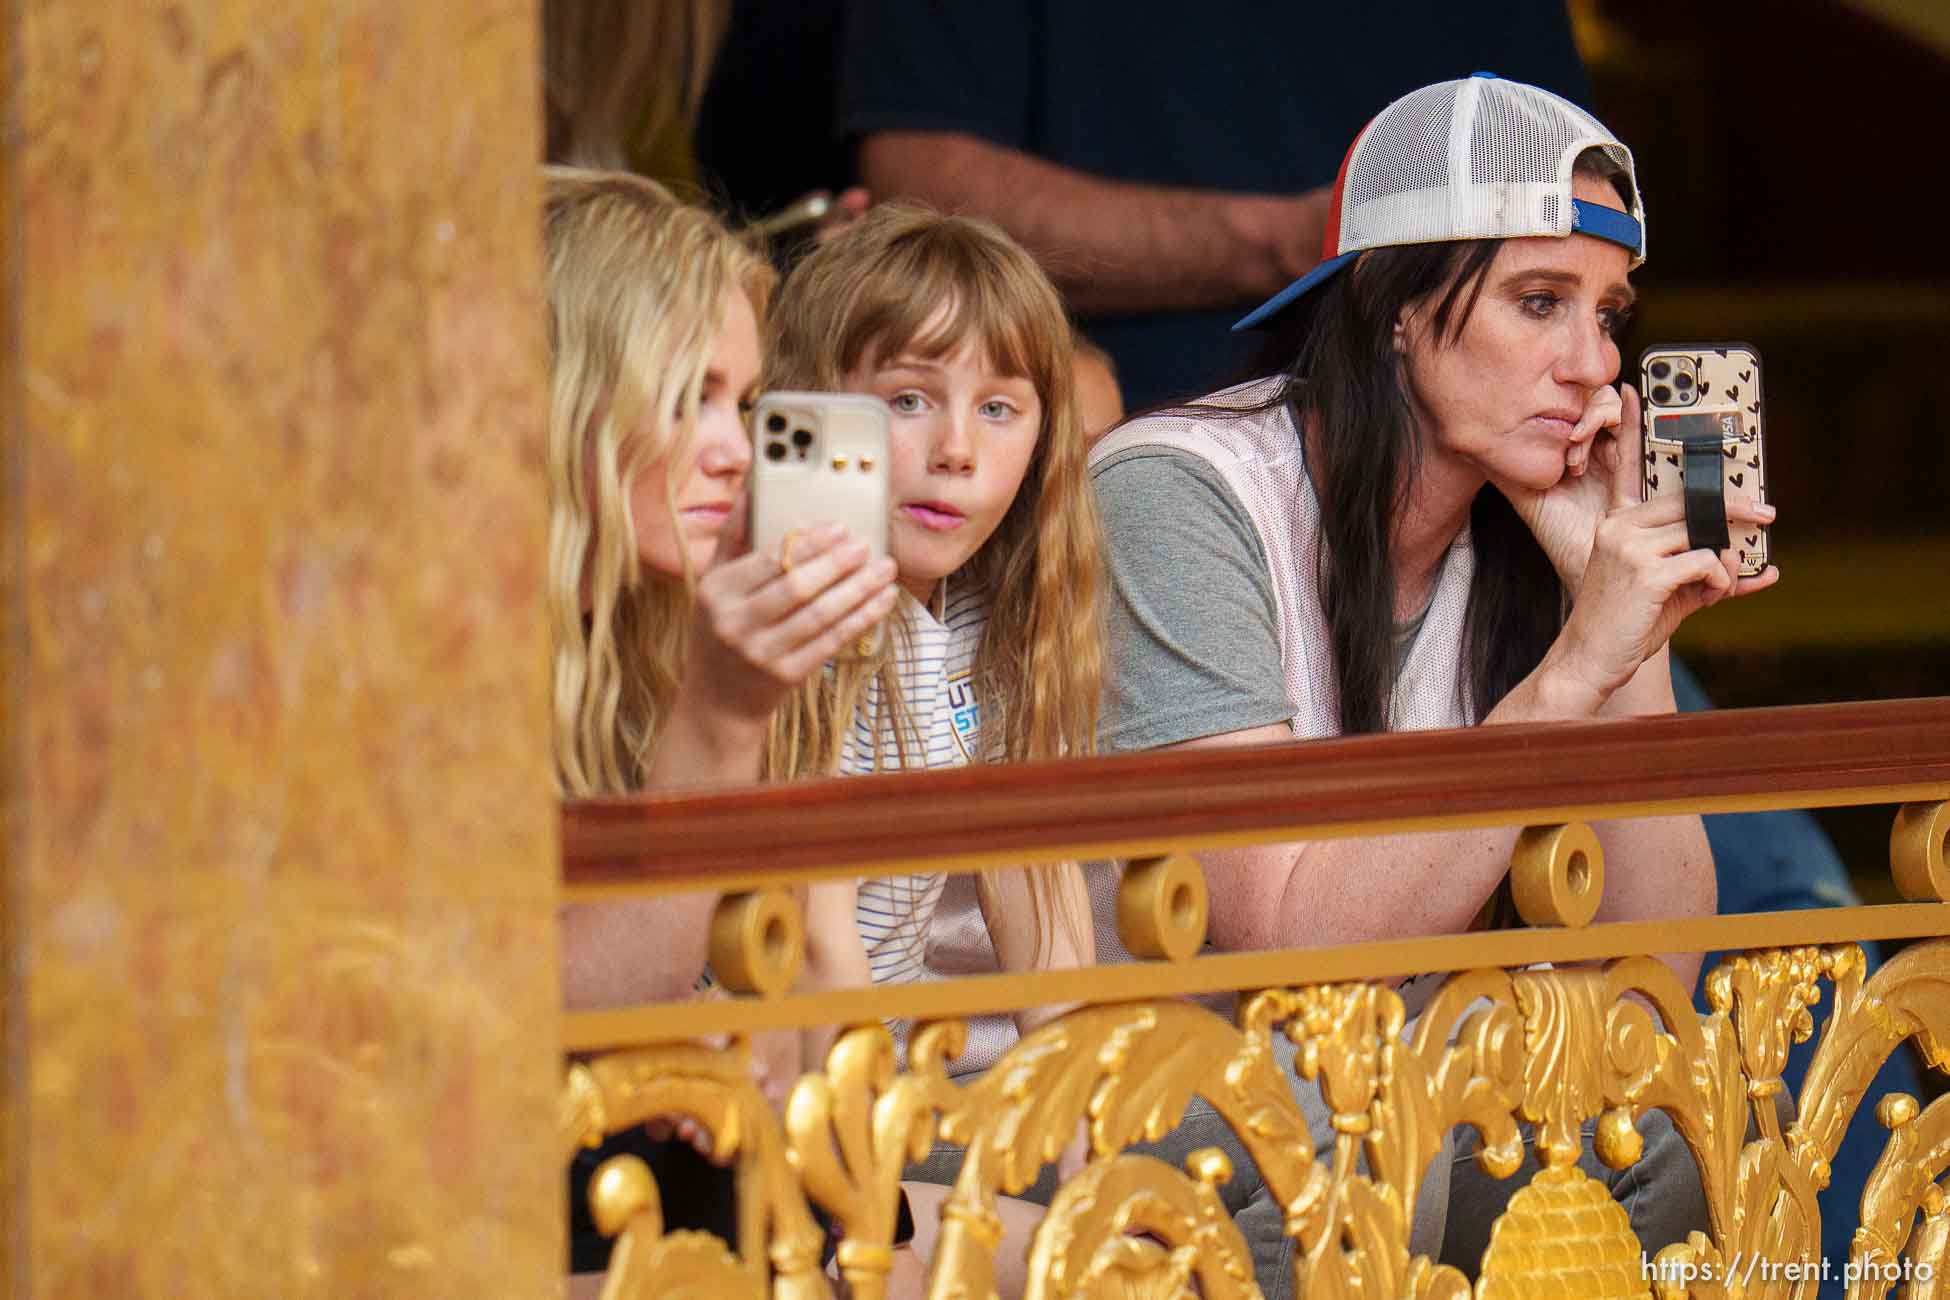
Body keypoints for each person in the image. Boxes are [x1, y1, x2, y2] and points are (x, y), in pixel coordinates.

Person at [1086, 75, 1778, 1292]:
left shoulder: (1518, 528)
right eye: (1538, 302)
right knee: (1335, 1122)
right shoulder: (1175, 490)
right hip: (1111, 1071)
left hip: (1374, 1072)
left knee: (1649, 1124)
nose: (1593, 365)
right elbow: (1287, 959)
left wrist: (1632, 634)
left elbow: (1655, 974)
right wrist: (1575, 668)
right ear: (1395, 305)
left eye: (1610, 313)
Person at [540, 167, 900, 1290]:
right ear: (559, 401)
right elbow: (545, 1012)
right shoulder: (413, 659)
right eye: (687, 395)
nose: (738, 450)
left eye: (743, 404)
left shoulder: (646, 644)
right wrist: (723, 713)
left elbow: (798, 1033)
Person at [766, 204, 1106, 1296]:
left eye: (1000, 409)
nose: (956, 449)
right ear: (817, 414)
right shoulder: (791, 618)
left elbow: (1039, 901)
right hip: (779, 1121)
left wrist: (1093, 1167)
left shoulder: (979, 619)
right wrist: (874, 1222)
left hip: (890, 1104)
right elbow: (816, 944)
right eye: (908, 401)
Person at [839, 0, 1593, 408]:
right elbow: (922, 192)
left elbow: (1576, 193)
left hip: (1450, 478)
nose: (1596, 361)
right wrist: (1299, 240)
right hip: (1101, 447)